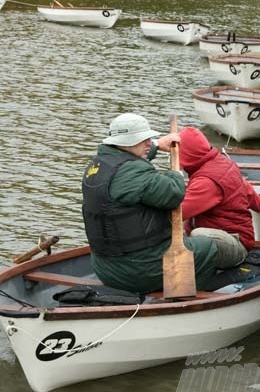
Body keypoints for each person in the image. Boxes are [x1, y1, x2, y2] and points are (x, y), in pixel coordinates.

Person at [82, 113, 218, 294]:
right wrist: (176, 173)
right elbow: (174, 192)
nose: (148, 142)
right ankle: (186, 299)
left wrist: (156, 146)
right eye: (144, 139)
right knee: (207, 247)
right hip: (139, 271)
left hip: (104, 268)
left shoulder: (98, 165)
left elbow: (127, 169)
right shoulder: (132, 173)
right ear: (127, 141)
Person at [179, 126, 260, 267]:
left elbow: (176, 214)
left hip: (235, 244)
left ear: (186, 155)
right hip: (237, 236)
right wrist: (259, 204)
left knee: (197, 236)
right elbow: (246, 189)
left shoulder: (206, 181)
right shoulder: (222, 162)